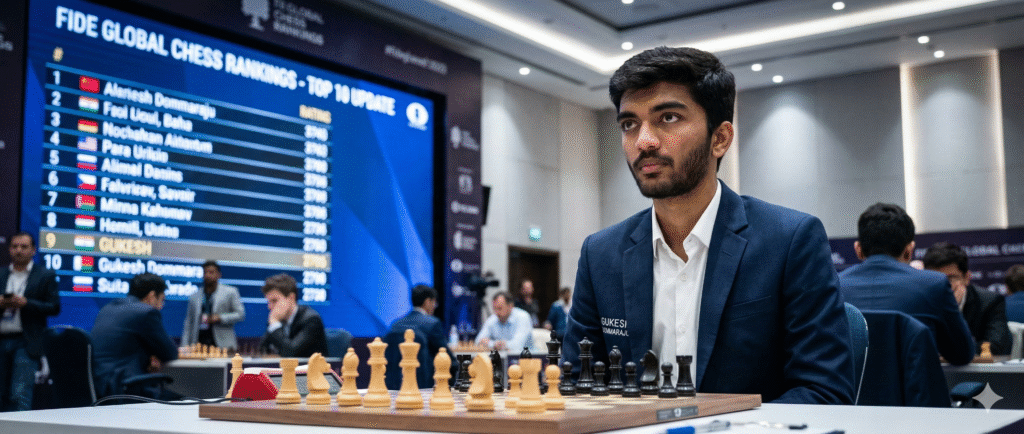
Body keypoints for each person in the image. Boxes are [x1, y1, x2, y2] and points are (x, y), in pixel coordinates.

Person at [561, 46, 854, 405]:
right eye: (629, 124)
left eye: (667, 118)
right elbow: (576, 384)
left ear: (720, 138)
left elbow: (824, 390)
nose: (644, 141)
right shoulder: (601, 253)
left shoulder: (790, 240)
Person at [839, 203, 975, 365]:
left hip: (846, 391)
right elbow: (962, 355)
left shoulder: (833, 287)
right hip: (913, 390)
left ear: (858, 250)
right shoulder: (934, 285)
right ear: (909, 251)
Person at [91, 273, 178, 398]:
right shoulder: (146, 312)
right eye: (162, 300)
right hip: (123, 388)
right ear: (152, 296)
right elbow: (170, 353)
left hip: (99, 387)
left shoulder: (107, 309)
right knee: (185, 399)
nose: (161, 306)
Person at [1, 232, 59, 411]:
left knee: (20, 394)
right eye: (15, 246)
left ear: (33, 250)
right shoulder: (1, 274)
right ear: (9, 249)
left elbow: (54, 307)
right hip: (1, 339)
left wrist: (27, 303)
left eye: (24, 247)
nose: (19, 250)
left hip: (26, 342)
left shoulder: (44, 275)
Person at [923, 242, 1011, 355]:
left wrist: (951, 312)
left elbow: (996, 347)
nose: (942, 286)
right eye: (935, 279)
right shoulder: (921, 301)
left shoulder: (990, 302)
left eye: (950, 278)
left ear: (966, 278)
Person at [258, 273, 327, 357]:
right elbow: (262, 351)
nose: (269, 307)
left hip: (312, 369)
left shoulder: (311, 320)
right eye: (268, 302)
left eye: (274, 301)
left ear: (291, 298)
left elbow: (291, 353)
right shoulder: (280, 320)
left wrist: (274, 324)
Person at [181, 260, 245, 350]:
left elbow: (240, 314)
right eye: (205, 272)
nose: (207, 275)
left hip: (222, 344)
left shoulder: (230, 292)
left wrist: (219, 318)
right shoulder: (195, 296)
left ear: (219, 275)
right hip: (199, 343)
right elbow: (188, 323)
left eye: (211, 272)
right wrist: (184, 346)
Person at [387, 284, 446, 359]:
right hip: (423, 370)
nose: (434, 306)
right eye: (434, 302)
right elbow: (445, 355)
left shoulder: (395, 325)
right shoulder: (433, 324)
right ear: (427, 302)